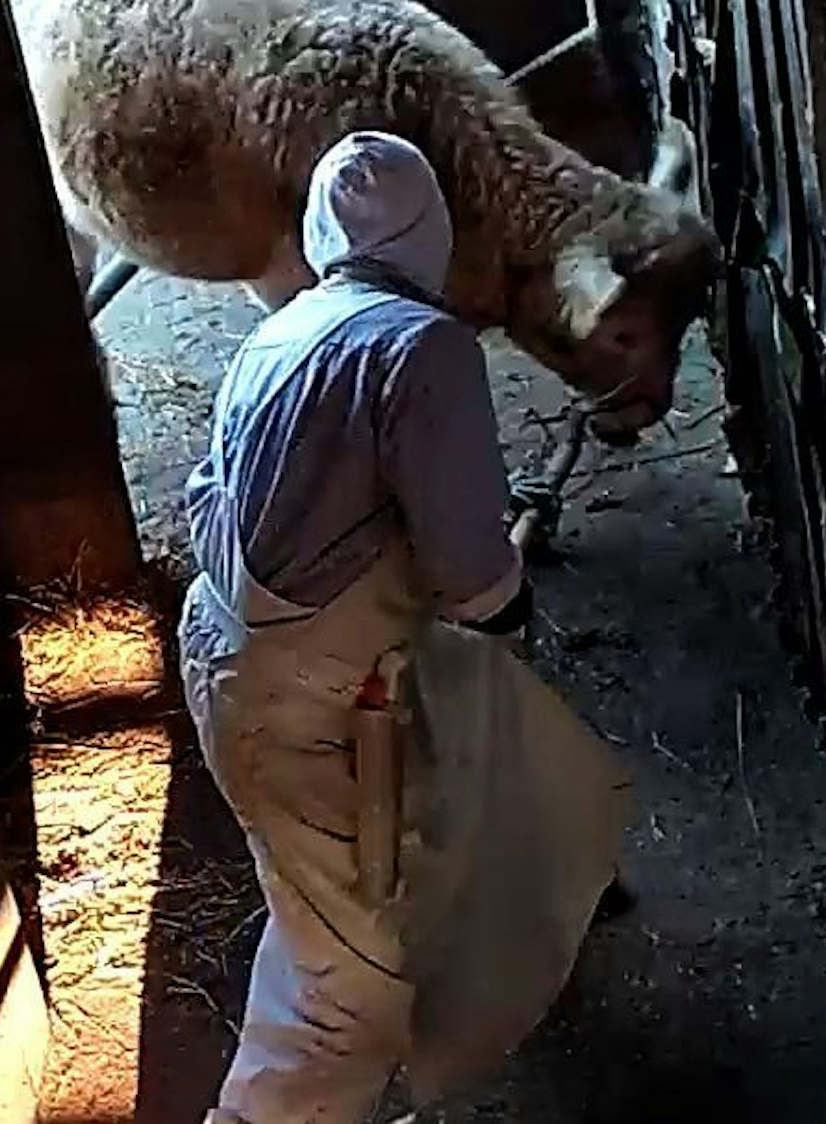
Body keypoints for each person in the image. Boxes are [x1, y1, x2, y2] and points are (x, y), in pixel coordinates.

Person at [178, 129, 542, 1123]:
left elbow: (208, 499)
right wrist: (504, 599)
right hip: (304, 692)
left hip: (224, 656)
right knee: (348, 977)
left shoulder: (275, 333)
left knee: (329, 893)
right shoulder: (420, 347)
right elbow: (470, 568)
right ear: (430, 233)